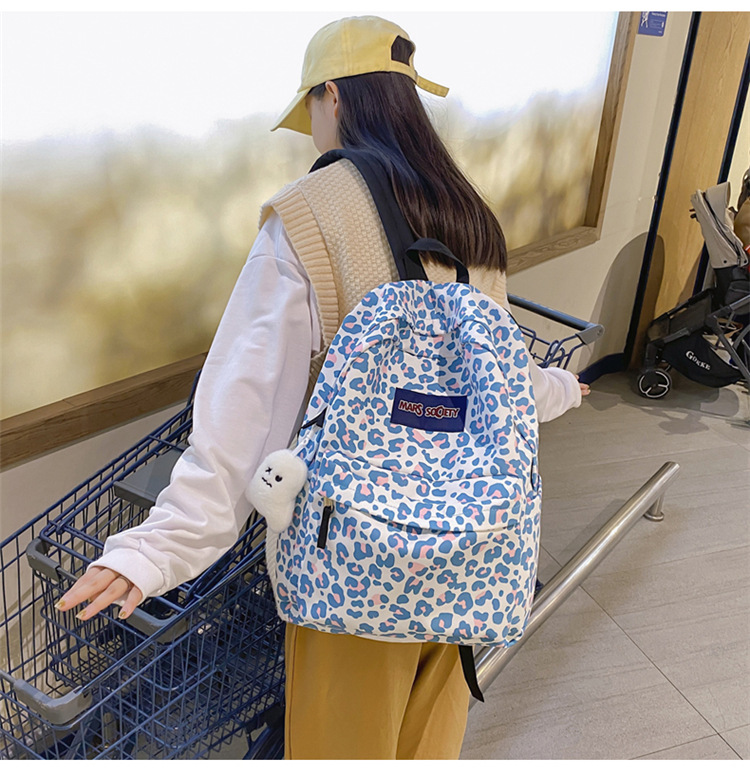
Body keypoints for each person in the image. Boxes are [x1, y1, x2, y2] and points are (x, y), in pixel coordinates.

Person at [57, 15, 589, 759]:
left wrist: (157, 549)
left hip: (358, 560)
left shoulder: (308, 215)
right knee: (425, 747)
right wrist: (562, 389)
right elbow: (497, 387)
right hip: (472, 556)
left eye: (308, 107)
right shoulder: (470, 218)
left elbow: (246, 404)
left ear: (331, 95)